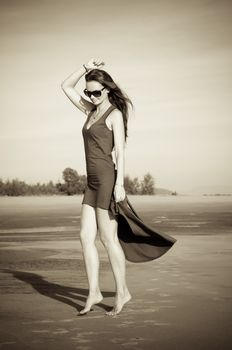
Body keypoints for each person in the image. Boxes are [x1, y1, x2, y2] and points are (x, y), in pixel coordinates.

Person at [61, 58, 133, 316]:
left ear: (107, 89)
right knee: (84, 236)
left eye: (96, 92)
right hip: (90, 181)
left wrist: (120, 185)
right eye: (88, 92)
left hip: (106, 180)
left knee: (107, 238)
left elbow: (121, 153)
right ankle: (94, 292)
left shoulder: (113, 114)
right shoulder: (90, 110)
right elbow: (65, 86)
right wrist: (84, 67)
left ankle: (122, 291)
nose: (91, 96)